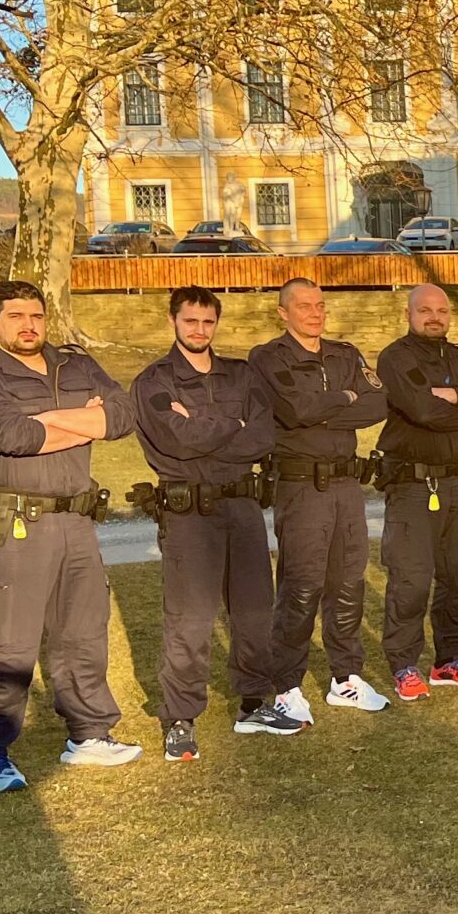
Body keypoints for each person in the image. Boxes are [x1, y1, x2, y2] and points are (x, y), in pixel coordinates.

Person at [0, 279, 141, 785]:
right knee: (5, 642)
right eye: (15, 316)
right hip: (13, 523)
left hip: (76, 520)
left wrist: (49, 421)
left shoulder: (77, 365)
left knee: (83, 633)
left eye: (36, 315)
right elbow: (8, 435)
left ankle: (89, 734)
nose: (28, 325)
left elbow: (122, 416)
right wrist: (84, 419)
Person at [131, 286, 297, 759]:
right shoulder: (154, 381)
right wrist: (232, 427)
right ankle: (180, 717)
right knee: (190, 619)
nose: (199, 330)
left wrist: (206, 425)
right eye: (190, 321)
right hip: (190, 514)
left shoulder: (241, 375)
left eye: (207, 322)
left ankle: (254, 703)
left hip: (242, 507)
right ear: (173, 322)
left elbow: (264, 436)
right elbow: (177, 440)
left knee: (253, 611)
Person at [248, 277, 390, 716]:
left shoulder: (344, 354)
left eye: (320, 305)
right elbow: (295, 410)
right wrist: (343, 400)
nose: (315, 313)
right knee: (301, 586)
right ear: (283, 312)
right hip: (301, 485)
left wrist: (329, 407)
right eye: (304, 306)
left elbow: (378, 403)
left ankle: (345, 677)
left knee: (347, 584)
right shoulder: (269, 358)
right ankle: (287, 685)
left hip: (347, 485)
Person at [374, 281, 458, 698]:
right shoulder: (396, 358)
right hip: (413, 484)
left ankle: (449, 660)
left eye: (442, 311)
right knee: (412, 580)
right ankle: (403, 665)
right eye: (425, 311)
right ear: (409, 314)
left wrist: (453, 395)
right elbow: (422, 411)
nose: (435, 318)